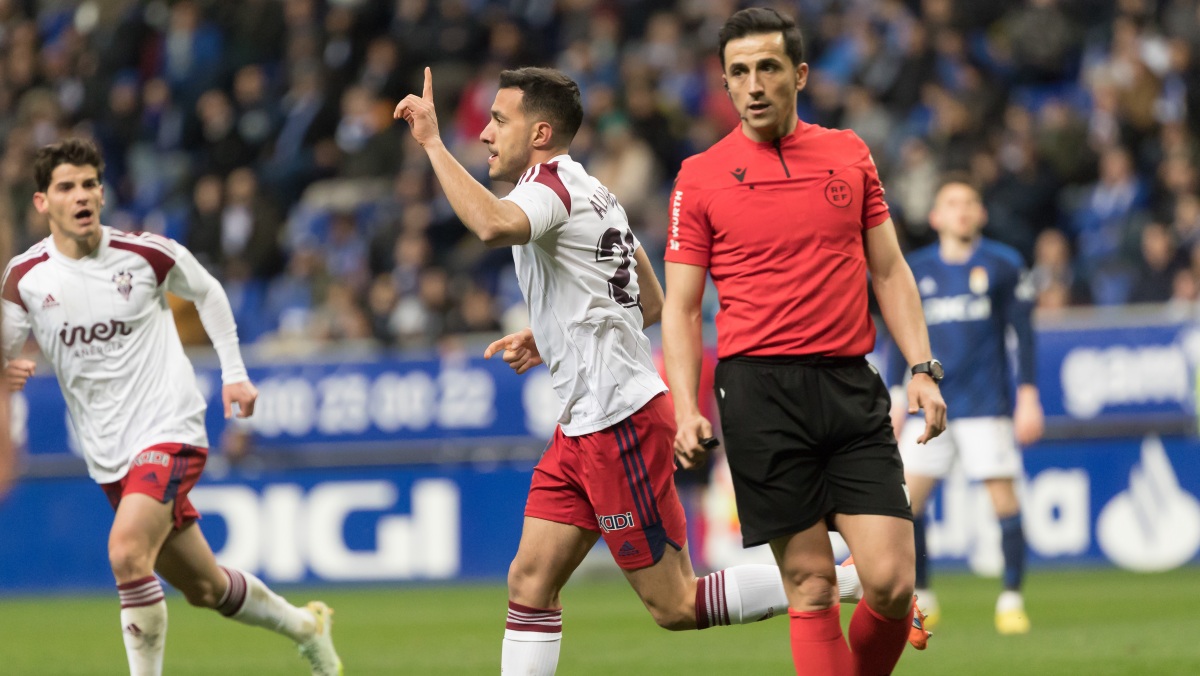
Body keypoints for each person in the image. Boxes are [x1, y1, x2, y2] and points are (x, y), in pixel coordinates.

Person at [393, 65, 883, 675]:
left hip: (618, 421)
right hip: (584, 426)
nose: (487, 133)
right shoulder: (593, 190)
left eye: (499, 120)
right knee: (529, 581)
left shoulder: (547, 188)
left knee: (675, 604)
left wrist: (434, 144)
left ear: (540, 133)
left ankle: (841, 582)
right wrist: (553, 335)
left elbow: (492, 224)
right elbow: (647, 302)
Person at [661, 8, 945, 676]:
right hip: (759, 393)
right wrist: (685, 406)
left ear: (800, 74)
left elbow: (889, 269)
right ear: (724, 83)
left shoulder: (848, 152)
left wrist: (922, 367)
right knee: (812, 584)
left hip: (850, 385)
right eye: (738, 72)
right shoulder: (699, 176)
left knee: (892, 584)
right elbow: (680, 307)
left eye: (767, 67)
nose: (753, 84)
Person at [0, 138, 342, 676]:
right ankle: (306, 626)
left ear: (103, 192)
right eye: (66, 186)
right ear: (43, 203)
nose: (82, 195)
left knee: (126, 551)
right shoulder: (26, 278)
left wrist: (234, 374)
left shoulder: (146, 254)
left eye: (90, 183)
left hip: (170, 427)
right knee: (206, 587)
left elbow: (207, 292)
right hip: (109, 453)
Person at [885, 175, 1043, 635]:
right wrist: (897, 396)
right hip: (930, 404)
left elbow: (1025, 334)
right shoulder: (914, 268)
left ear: (981, 214)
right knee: (909, 503)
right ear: (935, 217)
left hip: (985, 404)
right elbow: (900, 335)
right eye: (952, 203)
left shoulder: (1003, 264)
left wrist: (1028, 395)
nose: (962, 210)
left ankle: (1011, 599)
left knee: (1004, 501)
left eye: (970, 202)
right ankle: (926, 595)